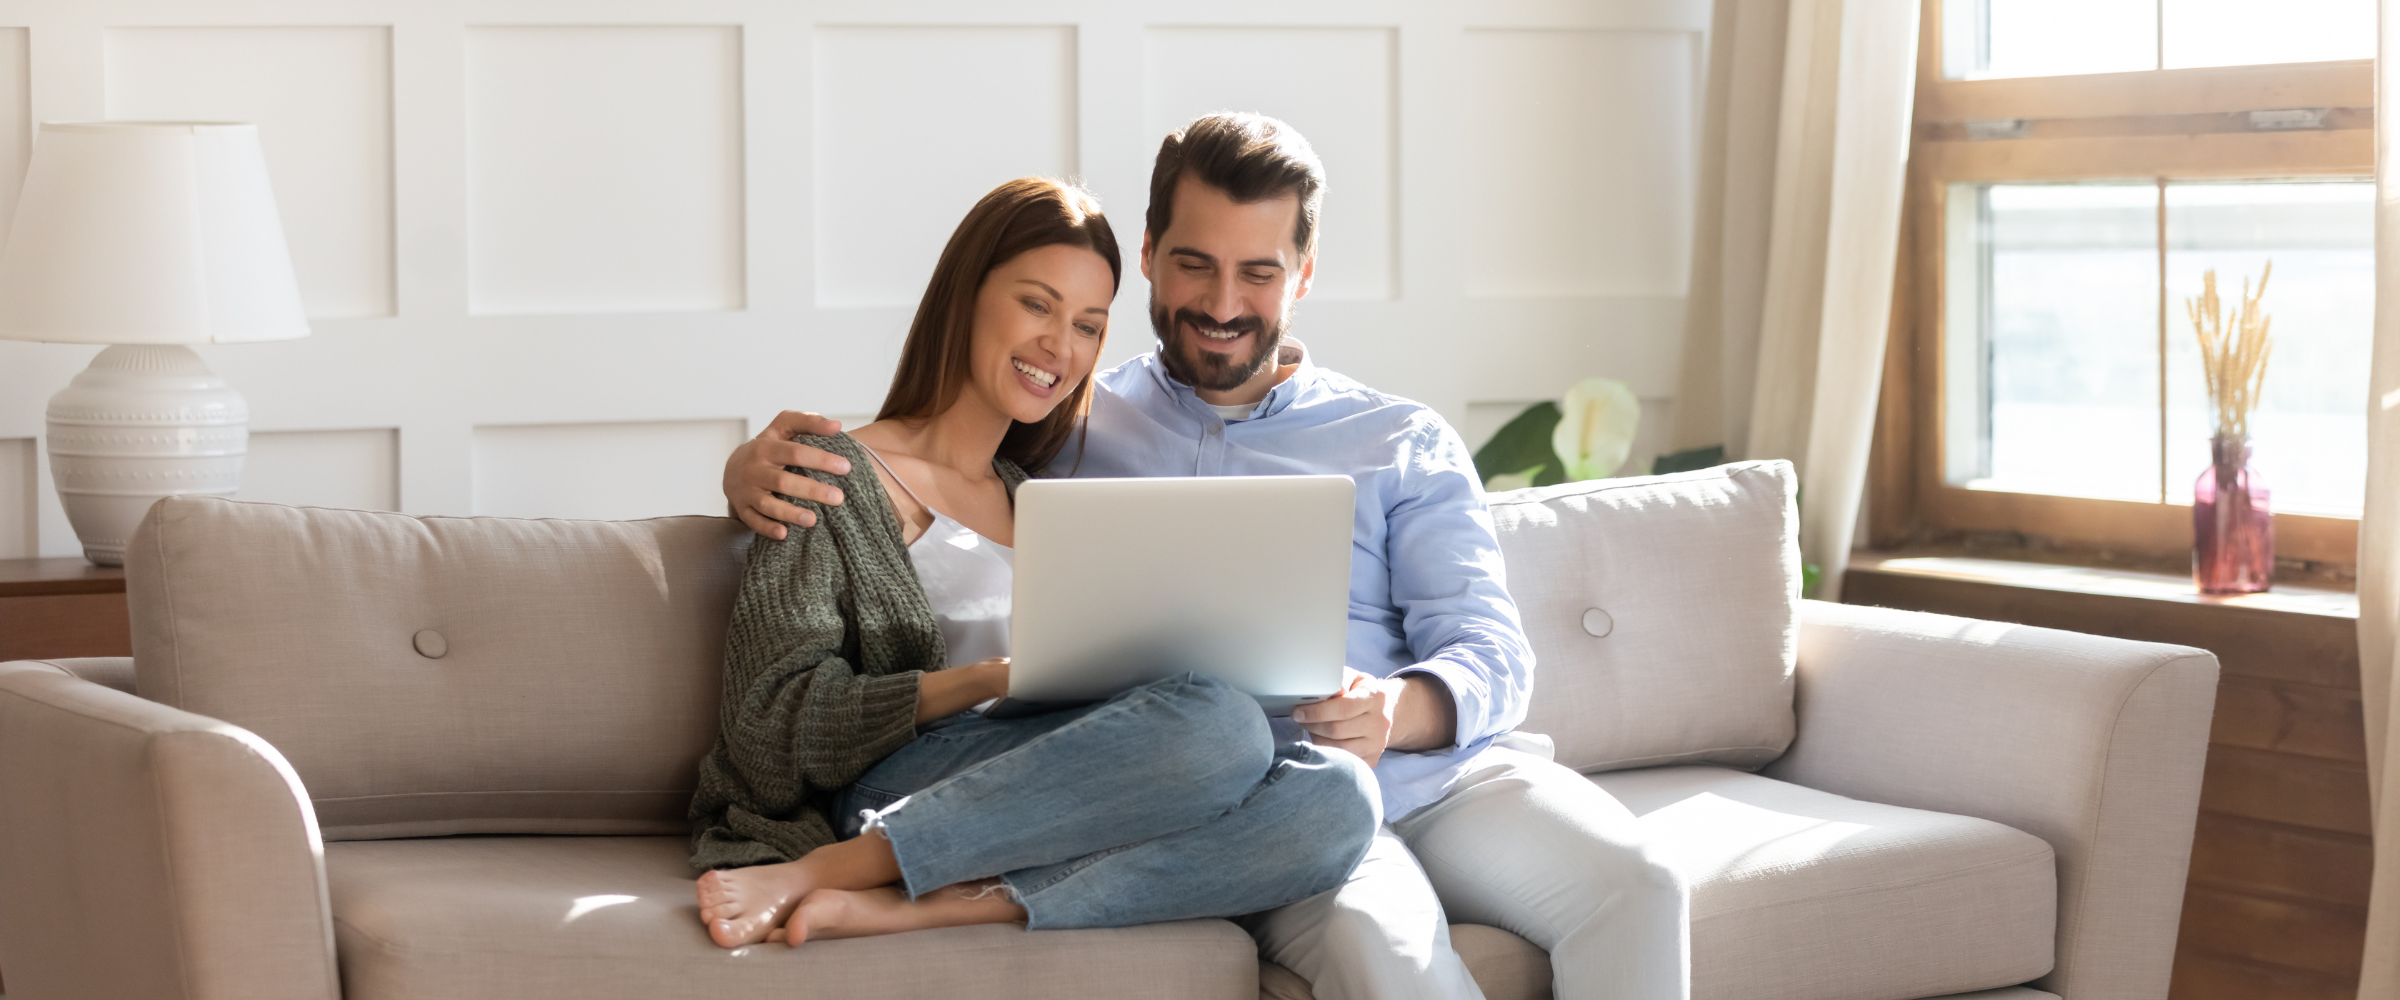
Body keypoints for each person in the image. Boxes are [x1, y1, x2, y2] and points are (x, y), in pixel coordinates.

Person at [720, 115, 1690, 1000]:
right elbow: (916, 472)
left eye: (1259, 272)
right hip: (1232, 780)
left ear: (1304, 272)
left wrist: (1401, 709)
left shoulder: (1399, 438)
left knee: (1640, 883)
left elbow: (1492, 649)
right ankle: (900, 874)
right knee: (1384, 951)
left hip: (1426, 774)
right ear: (1146, 256)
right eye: (1193, 264)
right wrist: (751, 471)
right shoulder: (1073, 420)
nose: (1223, 303)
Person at [688, 176, 1379, 950]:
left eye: (1088, 325)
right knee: (1221, 728)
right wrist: (991, 678)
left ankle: (946, 902)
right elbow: (769, 726)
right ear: (968, 293)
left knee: (1342, 797)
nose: (1061, 346)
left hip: (1060, 781)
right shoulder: (825, 473)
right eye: (1037, 304)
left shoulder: (1044, 496)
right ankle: (842, 864)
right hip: (903, 781)